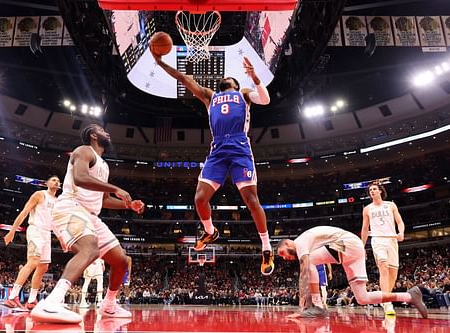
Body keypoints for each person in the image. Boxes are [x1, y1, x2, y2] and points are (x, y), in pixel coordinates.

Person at [153, 53, 274, 275]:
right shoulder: (210, 96)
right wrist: (160, 63)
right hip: (217, 149)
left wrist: (255, 77)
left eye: (231, 77)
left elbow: (265, 100)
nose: (228, 78)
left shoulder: (243, 94)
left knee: (251, 199)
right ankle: (210, 231)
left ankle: (266, 247)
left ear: (236, 84)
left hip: (239, 147)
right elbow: (183, 78)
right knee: (199, 198)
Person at [31, 124, 144, 324]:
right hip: (70, 206)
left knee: (120, 261)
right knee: (90, 249)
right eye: (102, 130)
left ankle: (109, 305)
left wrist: (129, 206)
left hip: (91, 215)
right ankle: (52, 302)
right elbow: (80, 178)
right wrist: (117, 188)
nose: (107, 132)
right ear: (93, 135)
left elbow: (104, 200)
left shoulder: (104, 165)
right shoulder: (83, 151)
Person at [277, 226, 427, 319]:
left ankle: (318, 306)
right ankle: (410, 296)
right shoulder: (305, 244)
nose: (284, 258)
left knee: (309, 264)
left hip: (346, 244)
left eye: (283, 253)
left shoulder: (300, 242)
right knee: (363, 298)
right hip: (352, 250)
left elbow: (304, 275)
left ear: (289, 243)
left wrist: (301, 308)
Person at [3, 175, 60, 311]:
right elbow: (24, 213)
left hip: (47, 234)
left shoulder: (58, 201)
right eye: (53, 179)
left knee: (43, 267)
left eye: (58, 181)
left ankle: (32, 300)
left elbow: (56, 224)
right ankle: (12, 296)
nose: (56, 182)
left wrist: (62, 241)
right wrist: (12, 231)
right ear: (47, 183)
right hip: (36, 230)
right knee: (33, 261)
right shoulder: (39, 195)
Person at [361, 181, 405, 316]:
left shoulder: (391, 205)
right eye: (370, 191)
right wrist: (362, 247)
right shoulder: (367, 209)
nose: (372, 191)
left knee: (393, 275)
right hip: (377, 240)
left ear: (380, 191)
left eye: (374, 189)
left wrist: (401, 232)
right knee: (383, 267)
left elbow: (399, 221)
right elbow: (364, 229)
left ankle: (386, 296)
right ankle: (387, 302)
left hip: (392, 240)